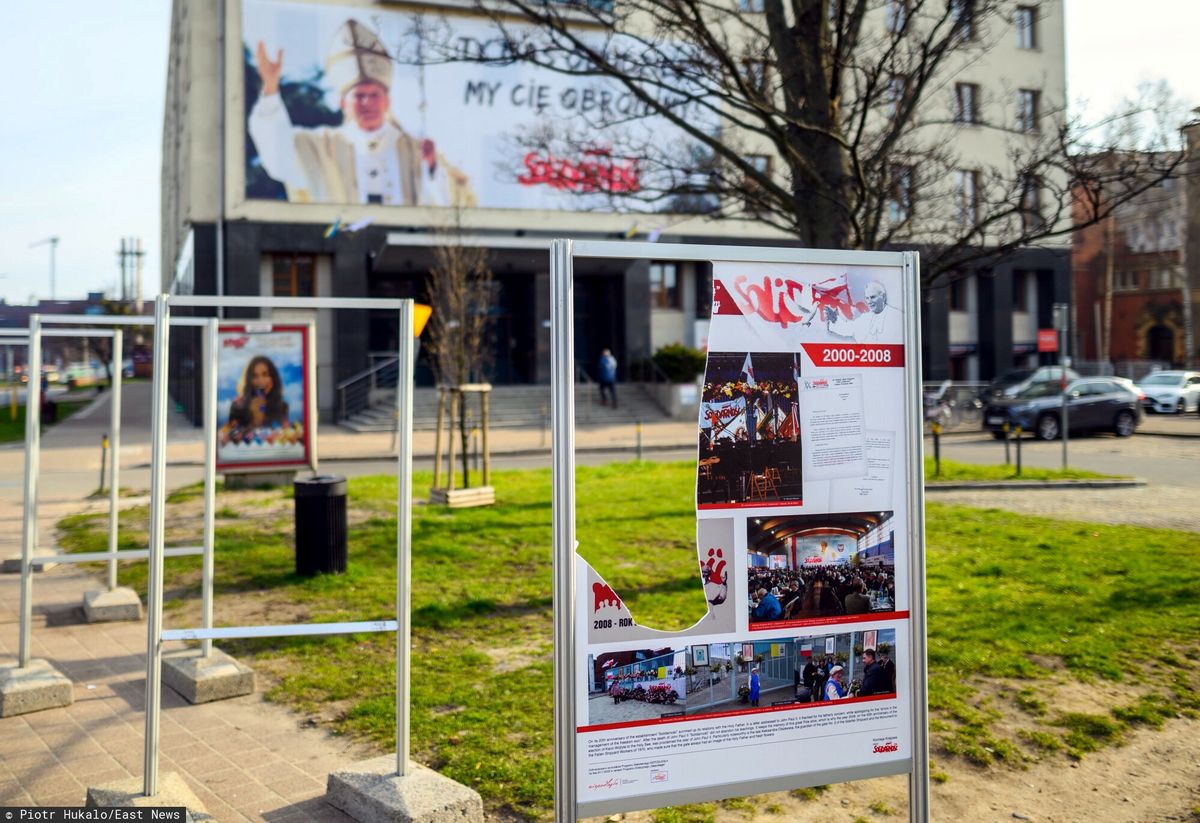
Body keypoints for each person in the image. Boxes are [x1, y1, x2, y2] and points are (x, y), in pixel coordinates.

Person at [249, 20, 475, 207]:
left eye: (374, 95)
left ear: (388, 101)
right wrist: (270, 88)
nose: (367, 102)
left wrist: (432, 166)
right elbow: (278, 155)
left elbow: (452, 203)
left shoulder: (414, 149)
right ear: (342, 103)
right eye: (358, 96)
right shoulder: (320, 146)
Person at [225, 356, 289, 437]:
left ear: (273, 378)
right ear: (249, 380)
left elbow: (284, 434)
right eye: (255, 376)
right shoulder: (237, 406)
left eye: (265, 375)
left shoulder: (282, 406)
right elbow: (232, 435)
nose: (260, 381)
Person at [825, 280, 903, 343]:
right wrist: (834, 320)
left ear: (883, 296)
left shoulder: (897, 317)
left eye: (873, 297)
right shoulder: (865, 318)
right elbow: (848, 329)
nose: (869, 301)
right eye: (867, 298)